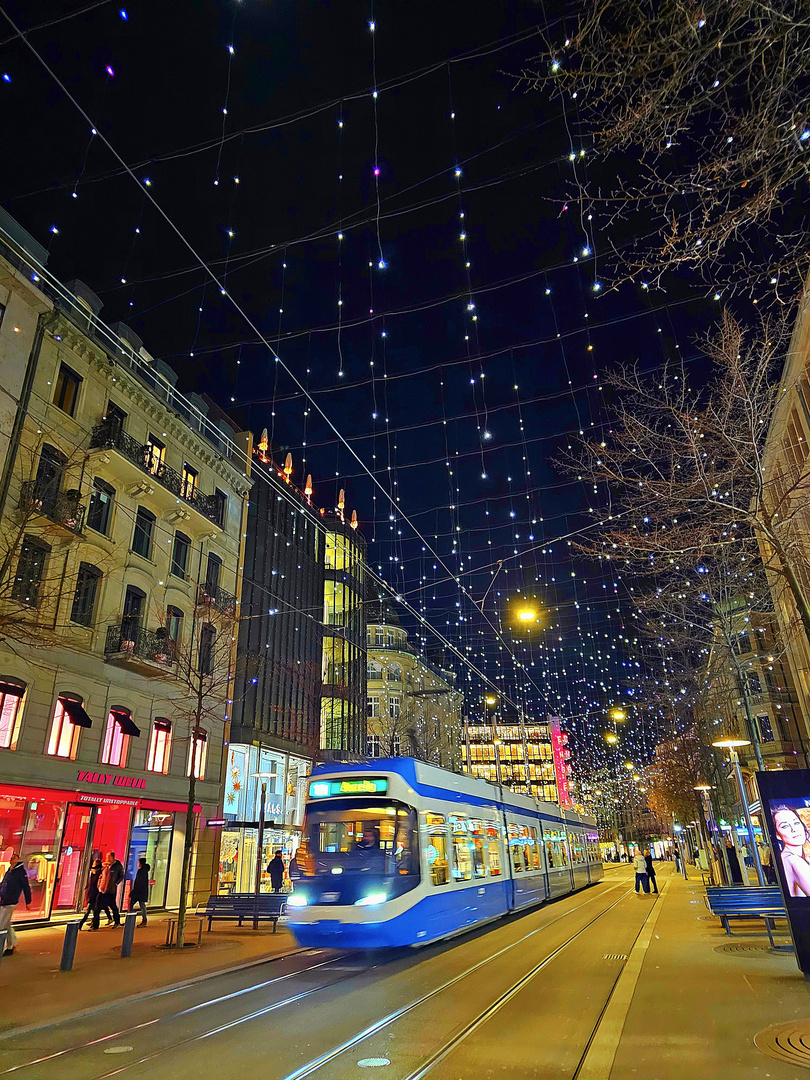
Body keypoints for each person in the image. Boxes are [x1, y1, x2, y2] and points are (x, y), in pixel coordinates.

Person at [772, 805, 810, 897]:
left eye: (796, 823)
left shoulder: (793, 857)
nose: (794, 830)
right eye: (785, 826)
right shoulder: (794, 861)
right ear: (777, 834)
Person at [0, 852, 31, 954]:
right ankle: (12, 943)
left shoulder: (20, 872)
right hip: (4, 901)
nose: (11, 859)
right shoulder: (10, 870)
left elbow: (26, 887)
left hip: (11, 901)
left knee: (2, 925)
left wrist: (28, 901)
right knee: (6, 924)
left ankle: (9, 946)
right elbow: (4, 884)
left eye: (13, 858)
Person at [93, 851, 124, 928]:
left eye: (109, 857)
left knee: (113, 907)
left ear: (113, 857)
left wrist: (116, 883)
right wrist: (99, 884)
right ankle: (95, 925)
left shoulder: (117, 866)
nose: (107, 859)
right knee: (97, 908)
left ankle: (117, 921)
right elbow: (101, 875)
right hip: (102, 890)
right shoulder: (106, 866)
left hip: (111, 890)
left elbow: (121, 876)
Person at [78, 860, 105, 930]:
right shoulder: (93, 874)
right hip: (92, 894)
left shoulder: (98, 874)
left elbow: (96, 885)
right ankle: (93, 924)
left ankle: (81, 924)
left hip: (95, 894)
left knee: (92, 911)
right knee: (94, 911)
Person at [130, 858, 150, 926]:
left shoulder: (142, 871)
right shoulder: (143, 871)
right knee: (141, 905)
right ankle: (143, 919)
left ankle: (131, 919)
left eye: (138, 862)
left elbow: (139, 882)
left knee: (135, 904)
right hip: (140, 891)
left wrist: (134, 891)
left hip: (139, 891)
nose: (137, 864)